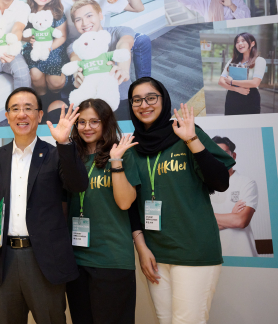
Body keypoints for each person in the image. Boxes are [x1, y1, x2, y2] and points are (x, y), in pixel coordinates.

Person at [0, 87, 89, 324]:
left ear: (39, 115)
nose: (21, 114)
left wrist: (65, 143)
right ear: (7, 116)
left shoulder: (55, 154)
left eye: (28, 109)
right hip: (3, 259)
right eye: (15, 109)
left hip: (44, 261)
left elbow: (77, 185)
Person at [127, 77, 235, 324]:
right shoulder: (132, 148)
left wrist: (191, 140)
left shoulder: (186, 132)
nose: (144, 104)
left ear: (163, 100)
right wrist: (141, 249)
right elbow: (131, 205)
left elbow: (220, 182)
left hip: (194, 251)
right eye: (137, 100)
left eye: (151, 97)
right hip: (154, 254)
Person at [64, 98, 141, 324]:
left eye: (94, 122)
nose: (87, 127)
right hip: (76, 260)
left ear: (106, 123)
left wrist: (115, 162)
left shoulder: (123, 153)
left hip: (112, 259)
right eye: (82, 122)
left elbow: (126, 202)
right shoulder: (70, 157)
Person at [61, 0, 151, 80]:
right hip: (77, 47)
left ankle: (145, 84)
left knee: (142, 39)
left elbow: (138, 8)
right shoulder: (61, 1)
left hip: (101, 41)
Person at [48, 0, 135, 122]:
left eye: (89, 16)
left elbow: (125, 44)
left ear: (100, 15)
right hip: (89, 103)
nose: (84, 23)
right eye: (78, 20)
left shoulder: (119, 31)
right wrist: (77, 75)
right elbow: (75, 60)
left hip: (120, 99)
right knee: (55, 108)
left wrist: (123, 70)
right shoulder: (76, 45)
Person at [21, 0, 69, 96]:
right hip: (34, 50)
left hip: (54, 49)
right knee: (35, 76)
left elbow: (62, 36)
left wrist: (49, 48)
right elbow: (19, 34)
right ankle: (42, 99)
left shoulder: (56, 11)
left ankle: (55, 97)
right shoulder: (25, 10)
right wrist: (28, 39)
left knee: (55, 82)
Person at [211, 136, 259, 257]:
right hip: (214, 256)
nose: (220, 158)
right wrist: (231, 216)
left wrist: (206, 217)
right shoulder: (202, 186)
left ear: (233, 156)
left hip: (244, 254)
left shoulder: (246, 183)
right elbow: (197, 224)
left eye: (224, 153)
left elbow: (241, 220)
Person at [218, 32, 267, 115]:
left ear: (252, 43)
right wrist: (237, 89)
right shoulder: (232, 61)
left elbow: (255, 83)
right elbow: (221, 81)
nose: (239, 43)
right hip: (232, 97)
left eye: (243, 40)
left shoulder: (259, 60)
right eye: (237, 42)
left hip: (250, 97)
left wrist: (231, 82)